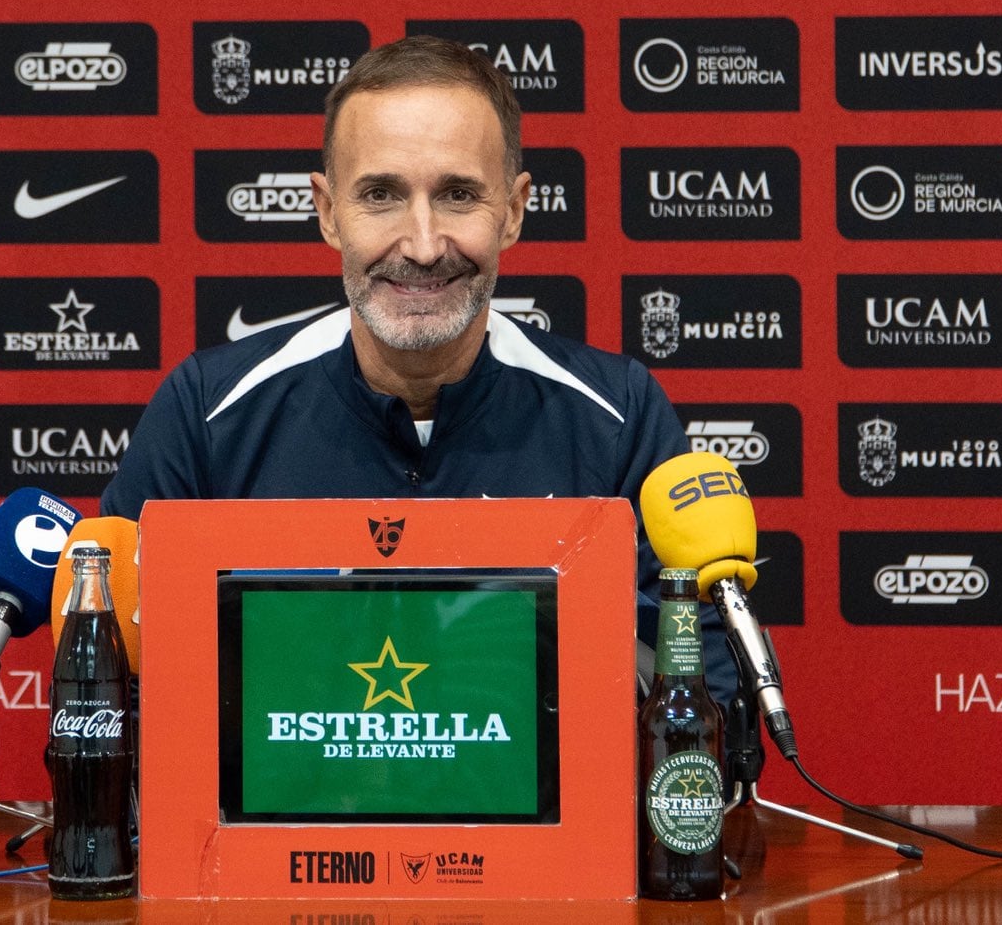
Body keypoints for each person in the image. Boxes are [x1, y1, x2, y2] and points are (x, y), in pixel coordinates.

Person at [98, 36, 736, 700]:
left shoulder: (618, 413)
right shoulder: (208, 409)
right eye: (381, 195)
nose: (424, 245)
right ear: (327, 212)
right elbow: (117, 688)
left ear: (513, 211)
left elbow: (704, 708)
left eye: (459, 195)